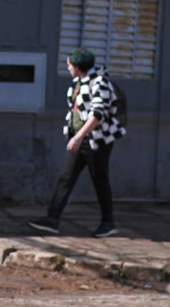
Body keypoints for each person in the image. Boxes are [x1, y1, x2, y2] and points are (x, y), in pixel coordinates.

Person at [27, 47, 126, 238]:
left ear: (78, 66)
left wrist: (79, 136)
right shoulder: (79, 82)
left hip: (96, 141)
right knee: (66, 178)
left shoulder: (100, 82)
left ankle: (108, 223)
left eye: (70, 65)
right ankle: (52, 220)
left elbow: (97, 114)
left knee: (100, 180)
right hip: (78, 140)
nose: (68, 68)